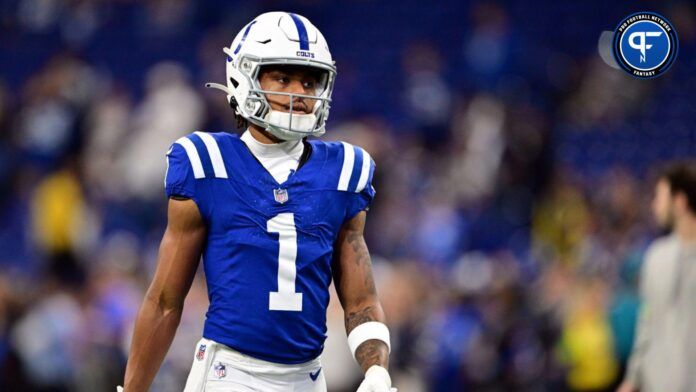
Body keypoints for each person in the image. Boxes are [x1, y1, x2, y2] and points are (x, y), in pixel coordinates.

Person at [119, 12, 393, 392]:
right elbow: (165, 300)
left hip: (308, 379)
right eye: (282, 78)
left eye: (310, 81)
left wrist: (377, 370)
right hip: (229, 374)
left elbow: (361, 301)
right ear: (244, 77)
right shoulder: (207, 161)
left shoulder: (344, 171)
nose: (299, 93)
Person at [618, 162, 696, 392]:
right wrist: (632, 379)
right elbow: (647, 322)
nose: (654, 206)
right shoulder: (655, 257)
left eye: (659, 197)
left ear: (680, 202)